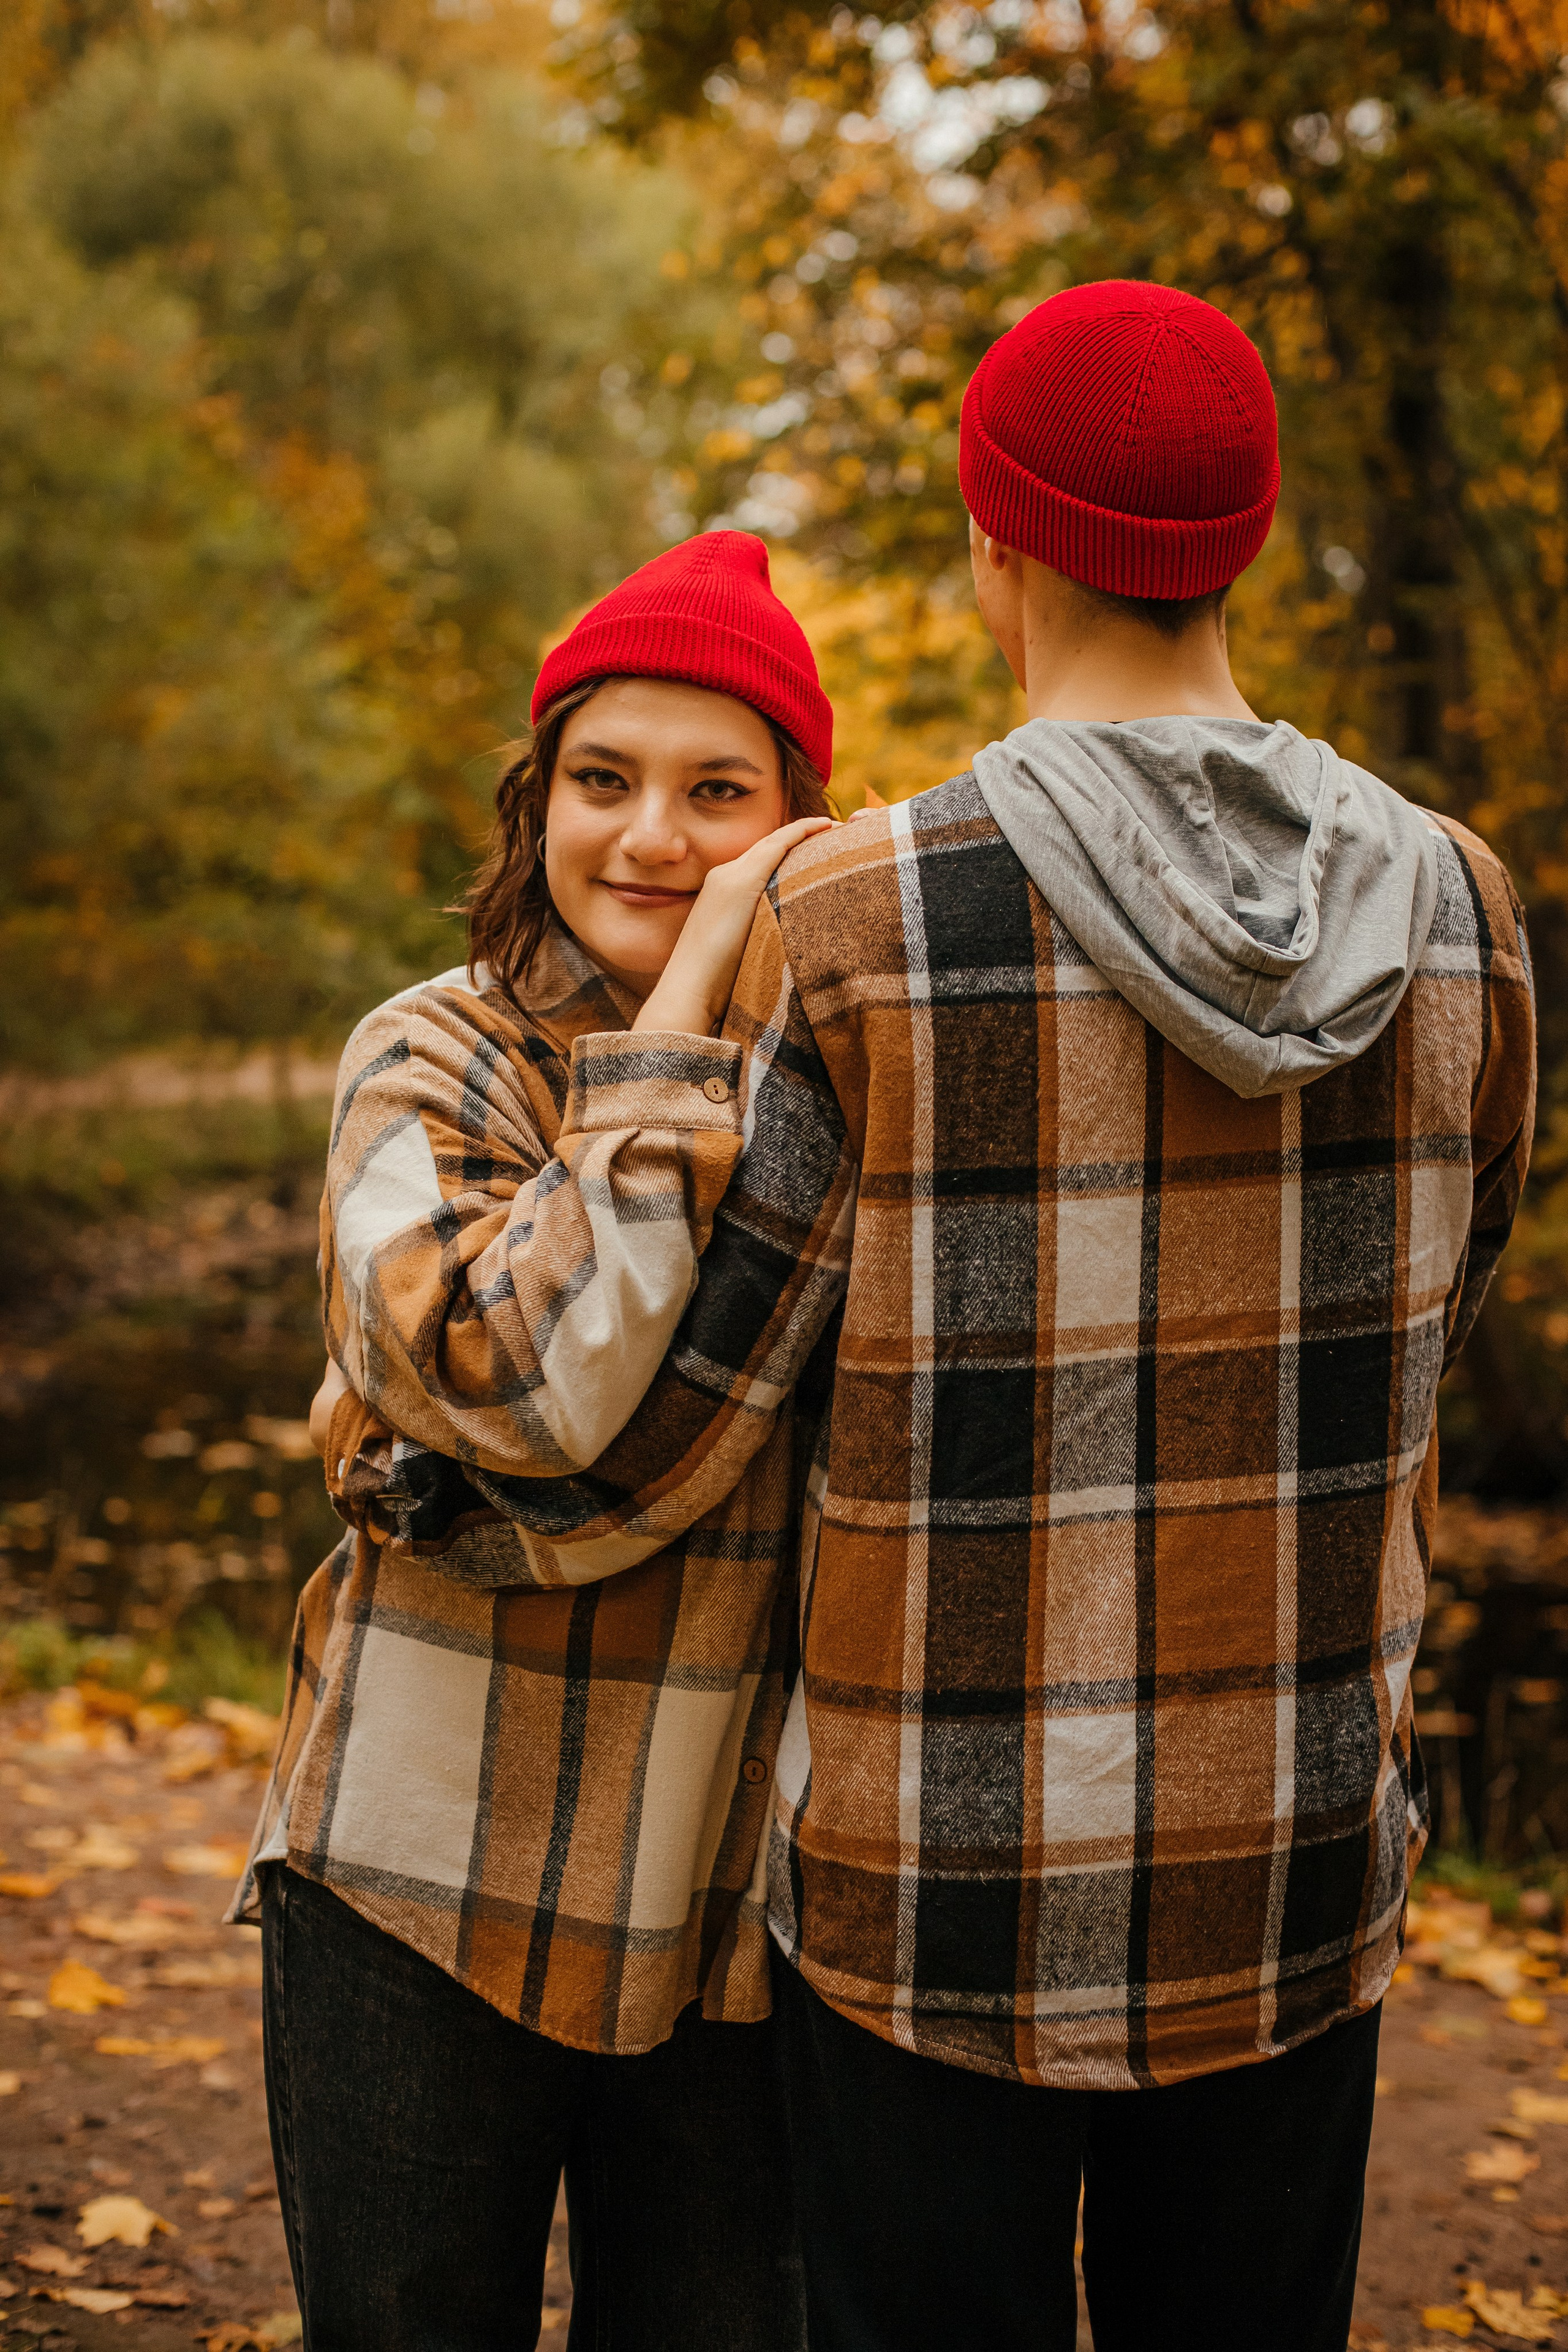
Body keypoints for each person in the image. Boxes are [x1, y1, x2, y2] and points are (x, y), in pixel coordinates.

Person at [456, 282, 1537, 2348]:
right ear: (1246, 540)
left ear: (994, 542)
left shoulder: (852, 913)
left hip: (922, 1899)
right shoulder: (1463, 908)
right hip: (1295, 1865)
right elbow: (1431, 1329)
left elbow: (688, 1412)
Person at [229, 531, 837, 2352]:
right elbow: (510, 1382)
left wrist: (424, 1464)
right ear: (539, 799)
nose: (650, 838)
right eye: (603, 780)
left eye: (716, 793)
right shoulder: (430, 1061)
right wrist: (695, 995)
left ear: (800, 815)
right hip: (422, 1887)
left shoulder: (848, 1101)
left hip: (729, 1916)